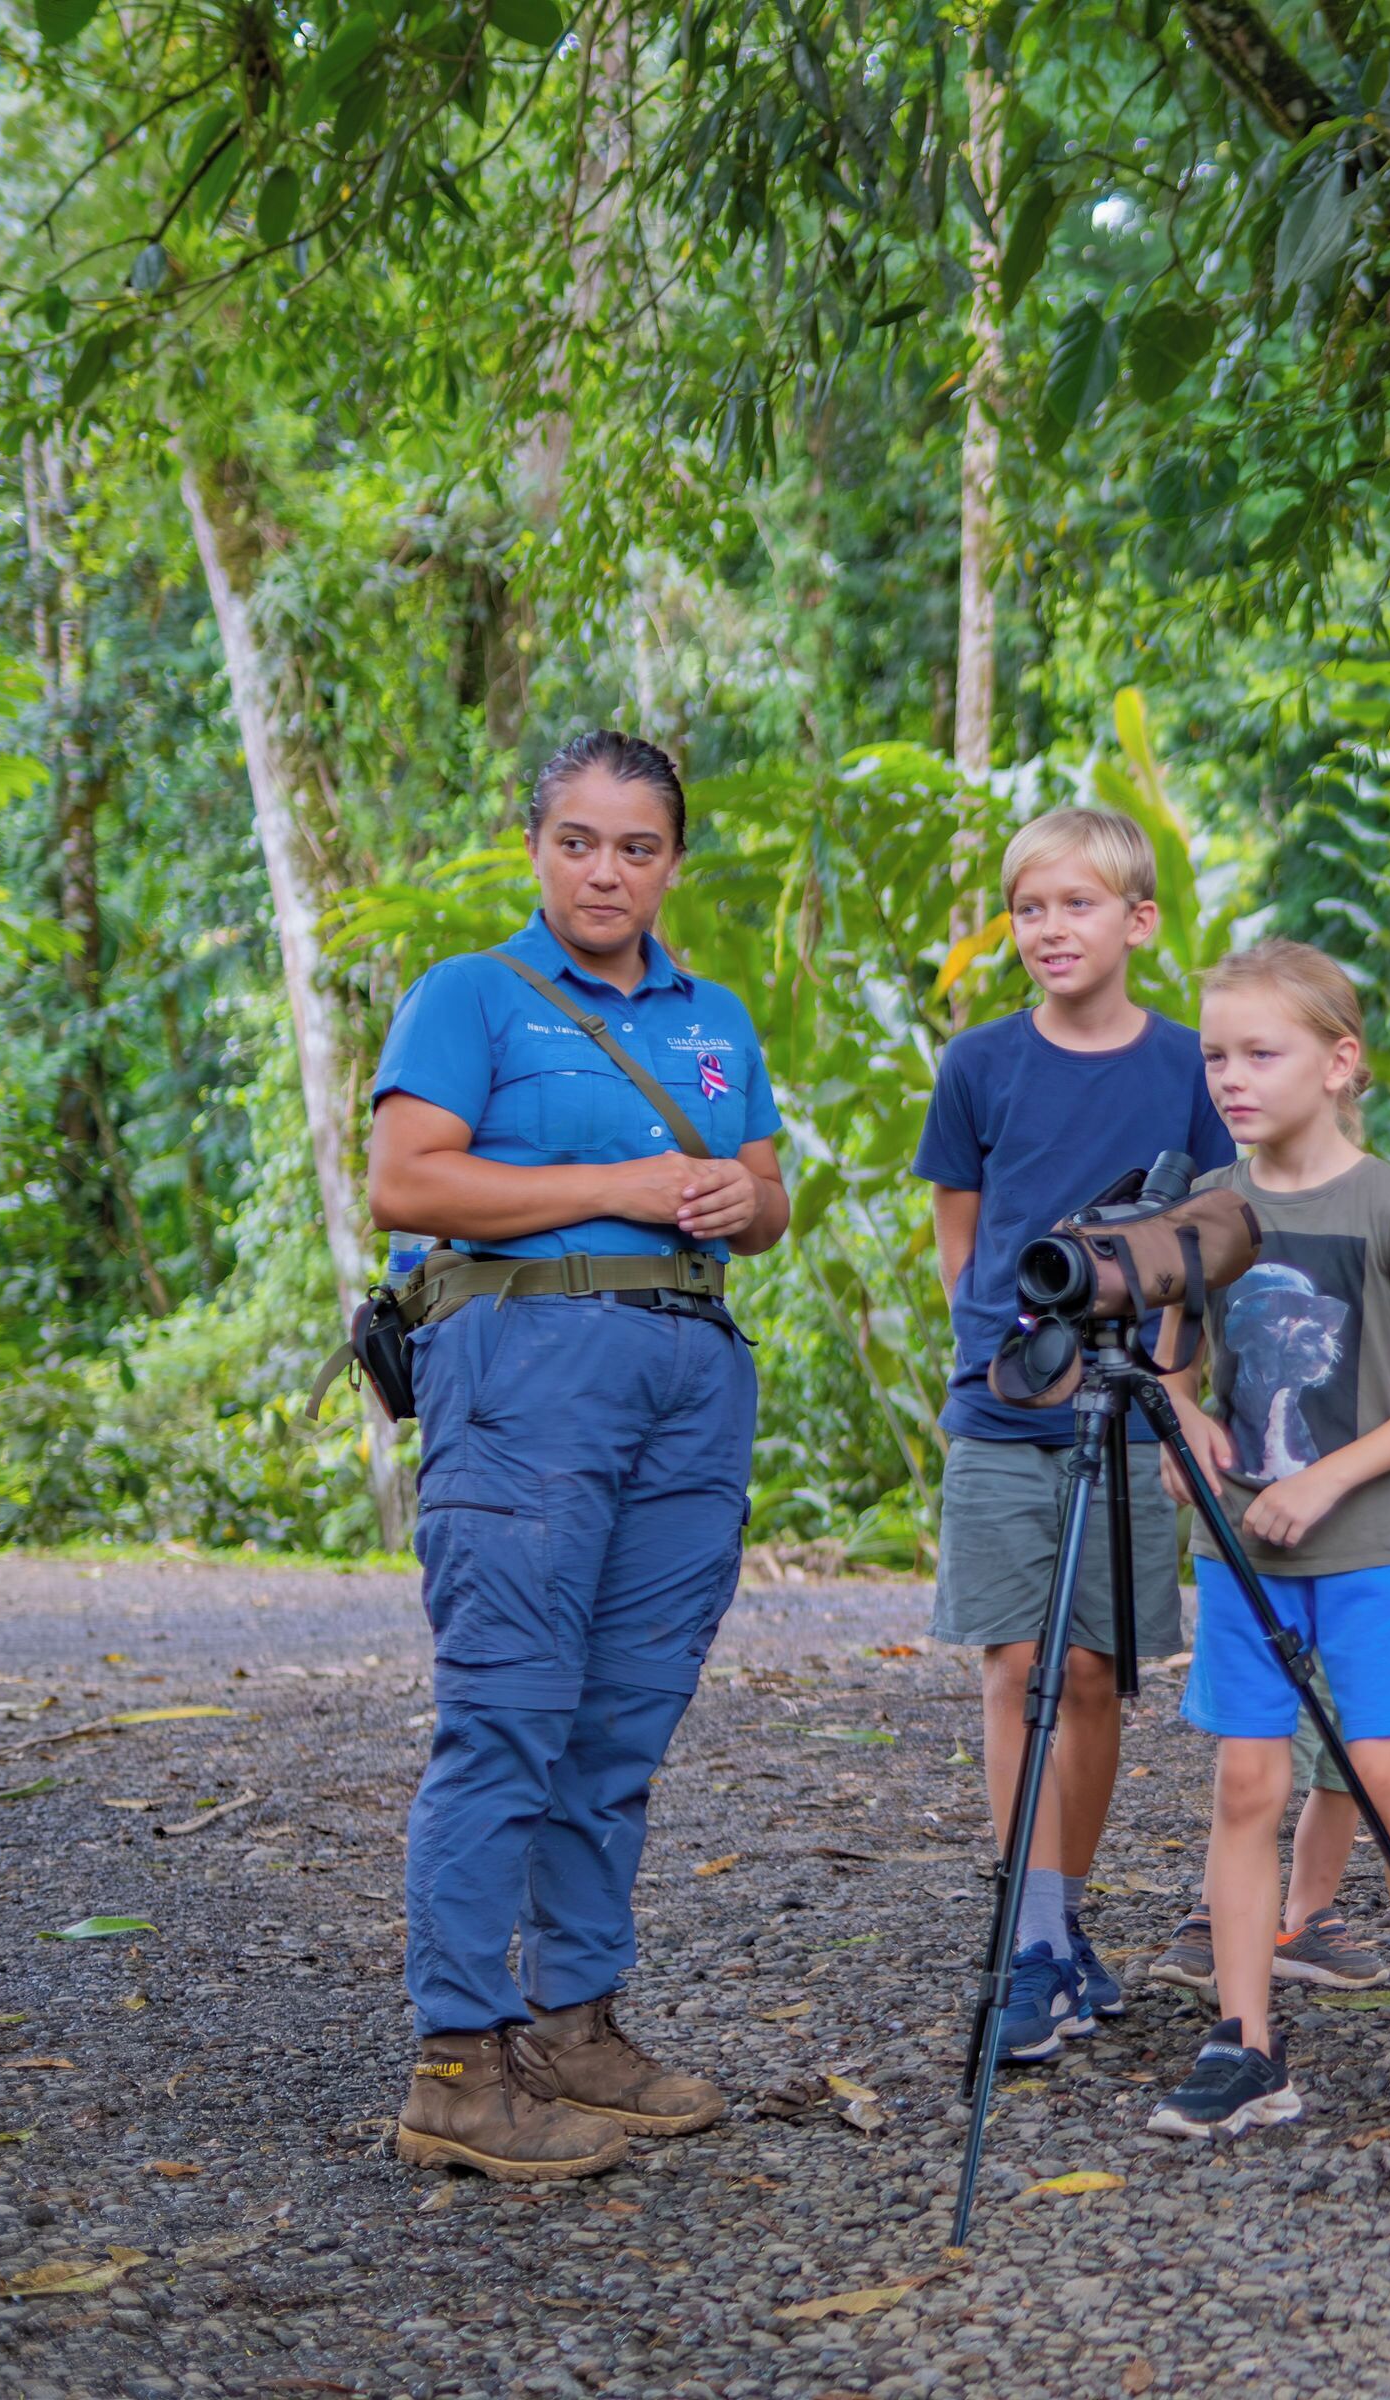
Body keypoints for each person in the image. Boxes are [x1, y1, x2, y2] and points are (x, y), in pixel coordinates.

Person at [373, 731, 790, 2181]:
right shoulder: (473, 994)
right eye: (578, 842)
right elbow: (406, 1180)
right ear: (535, 848)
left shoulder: (714, 1017)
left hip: (690, 1375)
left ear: (673, 864)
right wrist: (624, 1183)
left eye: (636, 847)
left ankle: (573, 2023)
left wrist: (742, 1199)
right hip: (526, 1367)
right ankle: (455, 2063)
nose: (605, 871)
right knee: (510, 1711)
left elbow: (769, 1197)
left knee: (622, 1721)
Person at [912, 805, 1233, 2062]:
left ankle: (1064, 1914)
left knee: (1094, 1672)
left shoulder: (1188, 1067)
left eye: (1078, 905)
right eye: (1029, 908)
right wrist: (998, 1351)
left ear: (1138, 921)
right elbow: (962, 1235)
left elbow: (1206, 1246)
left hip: (1129, 1408)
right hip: (1003, 1406)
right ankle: (1032, 1941)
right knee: (1012, 1666)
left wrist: (1176, 1390)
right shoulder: (979, 1065)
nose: (1050, 928)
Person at [1150, 942, 1390, 2134]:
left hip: (1373, 1541)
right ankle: (1246, 2041)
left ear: (1340, 1064)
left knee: (1384, 1771)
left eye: (1262, 1053)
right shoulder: (1208, 1203)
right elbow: (1174, 1362)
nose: (1232, 1078)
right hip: (1244, 1549)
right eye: (1215, 1056)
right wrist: (1185, 1423)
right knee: (1247, 1780)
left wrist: (1328, 1478)